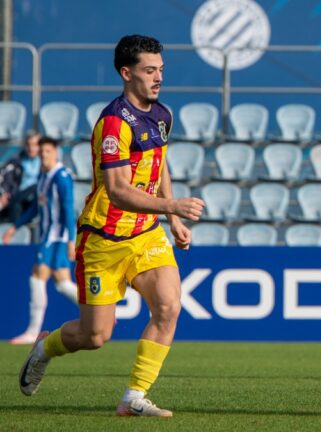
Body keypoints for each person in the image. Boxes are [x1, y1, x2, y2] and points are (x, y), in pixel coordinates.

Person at [18, 35, 205, 417]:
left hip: (146, 234)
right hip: (103, 239)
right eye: (149, 71)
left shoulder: (163, 115)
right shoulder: (114, 123)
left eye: (161, 71)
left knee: (169, 306)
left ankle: (133, 396)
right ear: (126, 72)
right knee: (95, 335)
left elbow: (159, 163)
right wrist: (173, 204)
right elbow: (118, 191)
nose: (158, 78)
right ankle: (44, 348)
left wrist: (170, 219)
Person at [3, 137, 79, 345]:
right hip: (49, 236)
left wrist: (71, 241)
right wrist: (15, 226)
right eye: (41, 152)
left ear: (55, 152)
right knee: (63, 284)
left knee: (37, 277)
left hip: (56, 238)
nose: (43, 155)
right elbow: (36, 208)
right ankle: (100, 313)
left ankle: (32, 332)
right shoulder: (43, 176)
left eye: (47, 151)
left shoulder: (61, 177)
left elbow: (68, 210)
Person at [0, 133, 41, 222]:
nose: (31, 148)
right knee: (14, 205)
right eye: (28, 144)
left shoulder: (44, 162)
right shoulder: (16, 161)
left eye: (35, 145)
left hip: (37, 198)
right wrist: (4, 194)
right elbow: (5, 178)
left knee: (34, 187)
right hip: (19, 198)